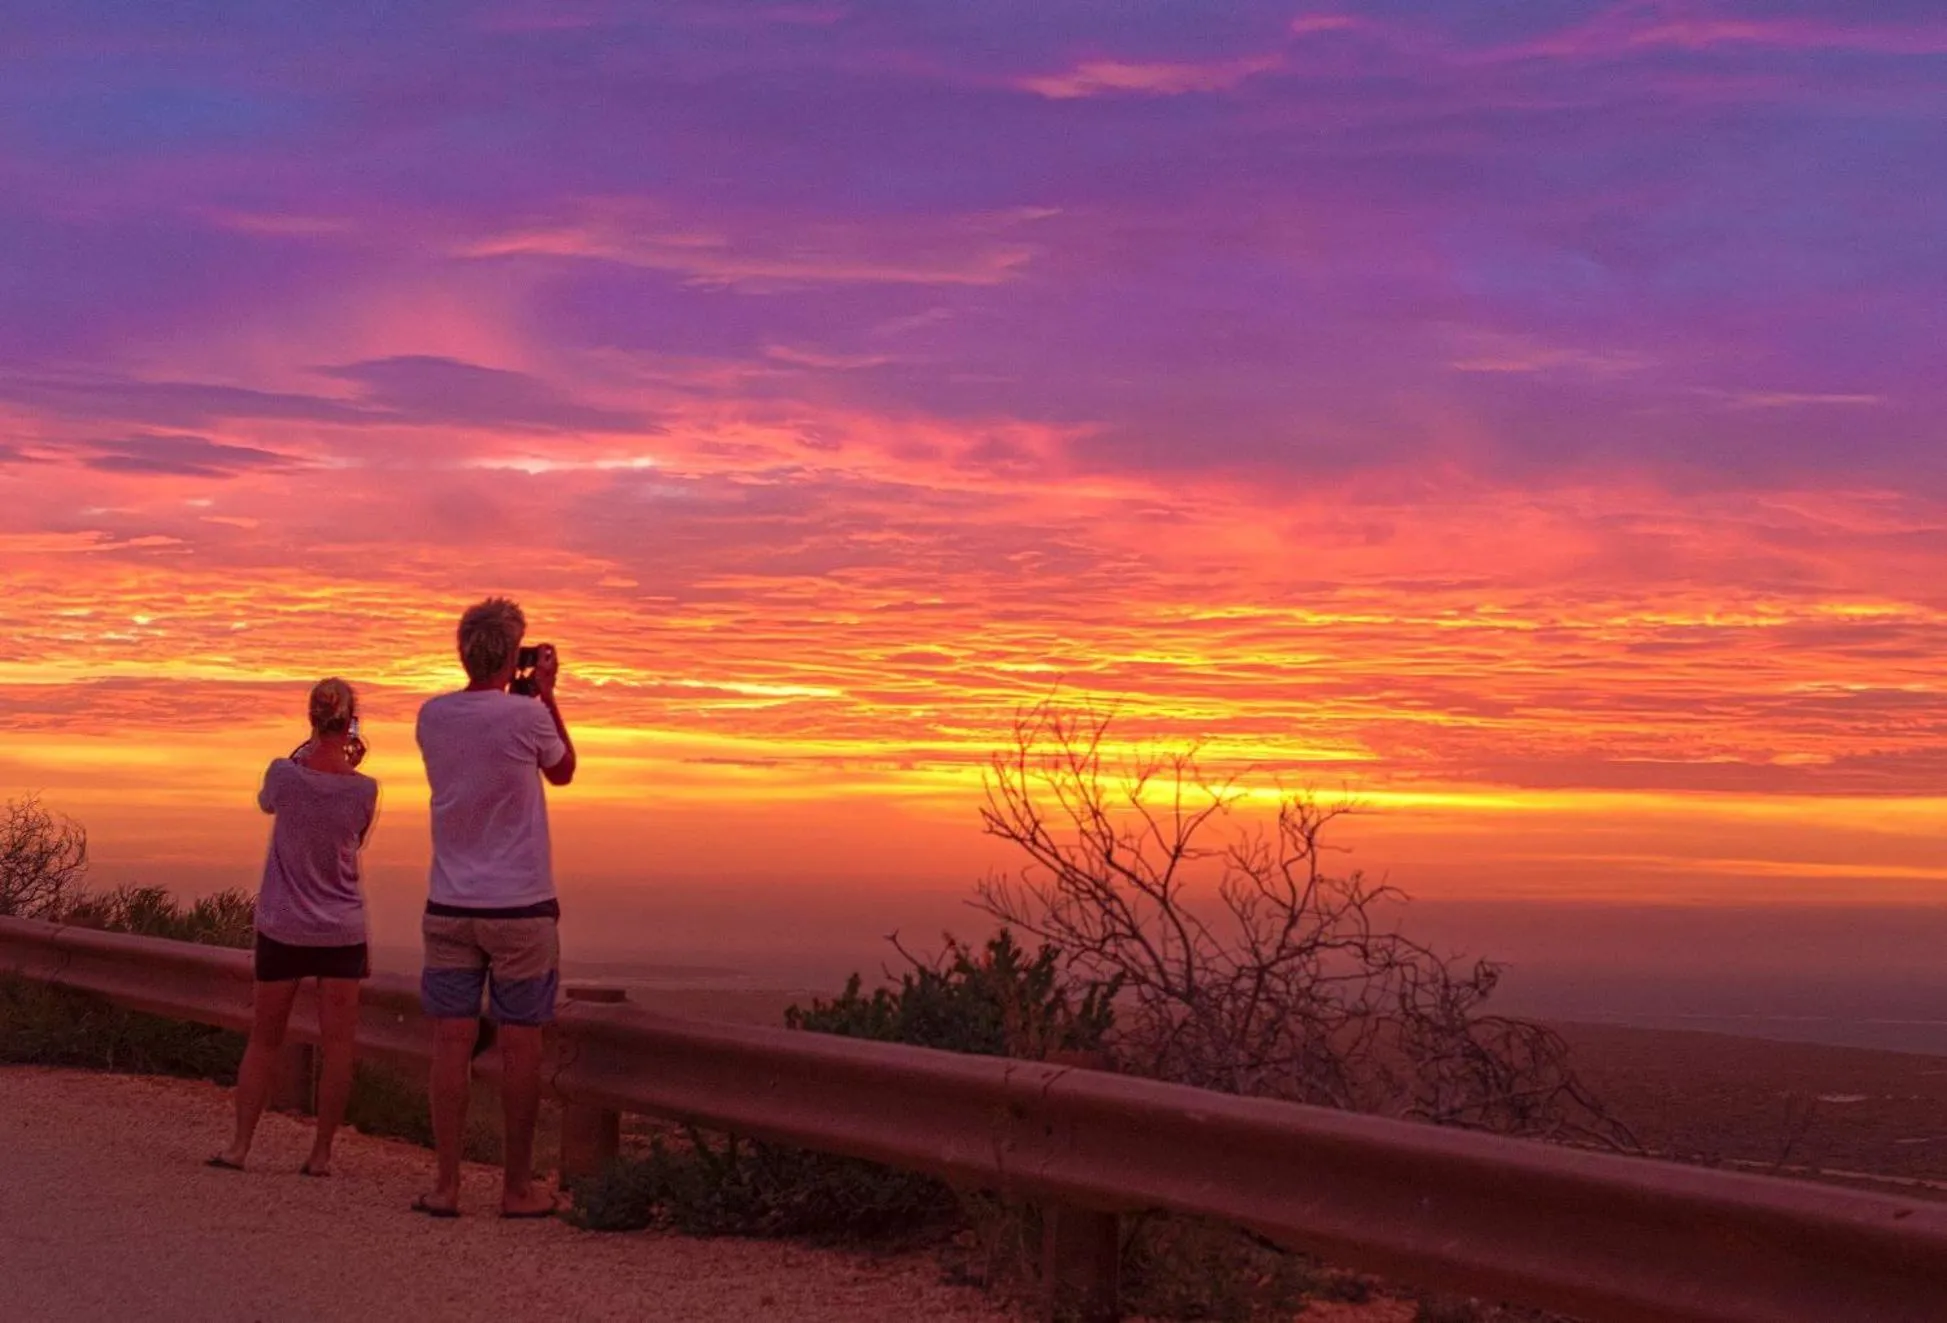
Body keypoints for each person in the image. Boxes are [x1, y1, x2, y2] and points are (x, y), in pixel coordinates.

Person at [412, 596, 576, 1219]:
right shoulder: (526, 718)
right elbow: (563, 771)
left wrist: (517, 690)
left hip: (449, 902)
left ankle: (447, 1185)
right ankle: (515, 1187)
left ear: (462, 651)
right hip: (520, 906)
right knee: (520, 1043)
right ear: (514, 655)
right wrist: (546, 695)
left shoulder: (432, 716)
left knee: (450, 1043)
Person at [210, 677, 378, 1177]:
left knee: (264, 1038)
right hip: (342, 930)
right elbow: (357, 840)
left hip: (283, 924)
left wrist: (302, 751)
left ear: (310, 718)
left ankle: (241, 1146)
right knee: (339, 1045)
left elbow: (267, 802)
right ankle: (321, 1153)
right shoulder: (364, 790)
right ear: (350, 722)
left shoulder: (284, 774)